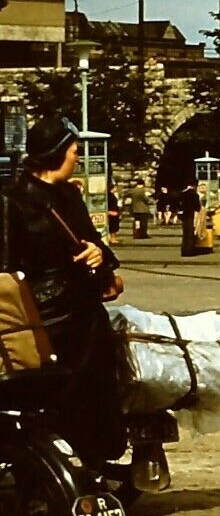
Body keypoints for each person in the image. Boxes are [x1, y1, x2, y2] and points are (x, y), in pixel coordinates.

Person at [1, 118, 127, 462]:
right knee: (63, 387)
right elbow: (7, 269)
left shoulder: (70, 195)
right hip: (43, 316)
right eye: (74, 151)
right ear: (57, 154)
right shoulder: (12, 201)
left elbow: (96, 242)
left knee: (97, 387)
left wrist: (98, 253)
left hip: (84, 311)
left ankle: (96, 456)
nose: (78, 159)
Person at [178, 181, 205, 256]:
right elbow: (197, 207)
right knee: (190, 234)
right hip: (191, 215)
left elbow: (178, 204)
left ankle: (184, 250)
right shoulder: (194, 194)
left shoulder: (182, 193)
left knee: (185, 234)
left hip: (184, 216)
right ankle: (189, 251)